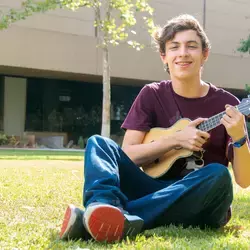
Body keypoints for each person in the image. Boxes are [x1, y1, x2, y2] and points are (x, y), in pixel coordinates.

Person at [59, 14, 250, 243]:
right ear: (164, 56)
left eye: (192, 46)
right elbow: (128, 155)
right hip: (151, 188)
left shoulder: (227, 104)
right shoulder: (152, 94)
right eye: (174, 47)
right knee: (99, 143)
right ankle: (104, 205)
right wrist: (175, 140)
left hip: (200, 198)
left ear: (204, 54)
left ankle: (106, 218)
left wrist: (239, 138)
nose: (183, 53)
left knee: (218, 175)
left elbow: (244, 180)